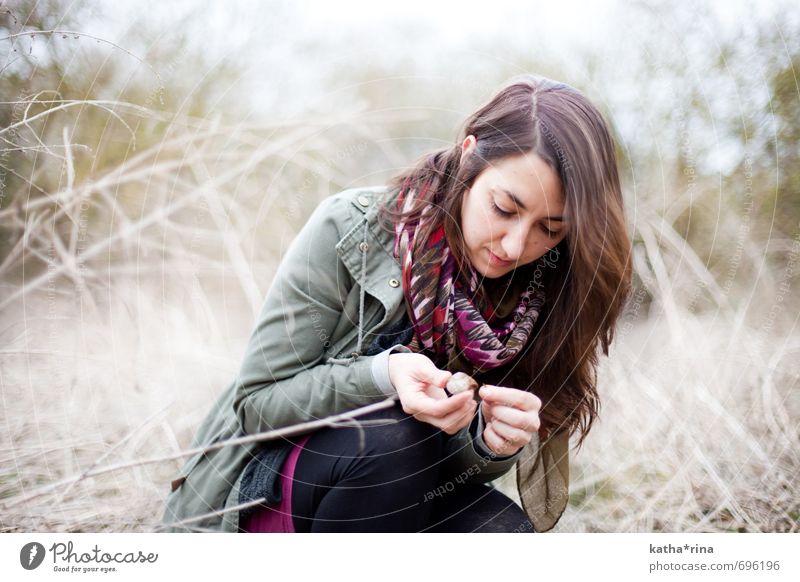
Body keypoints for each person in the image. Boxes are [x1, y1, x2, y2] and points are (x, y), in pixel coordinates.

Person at [159, 74, 632, 533]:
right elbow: (258, 406)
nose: (514, 245)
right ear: (469, 156)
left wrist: (488, 445)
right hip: (261, 496)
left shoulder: (536, 292)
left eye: (549, 229)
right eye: (504, 209)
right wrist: (382, 377)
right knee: (392, 441)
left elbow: (442, 470)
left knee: (503, 534)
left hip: (394, 498)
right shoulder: (350, 229)